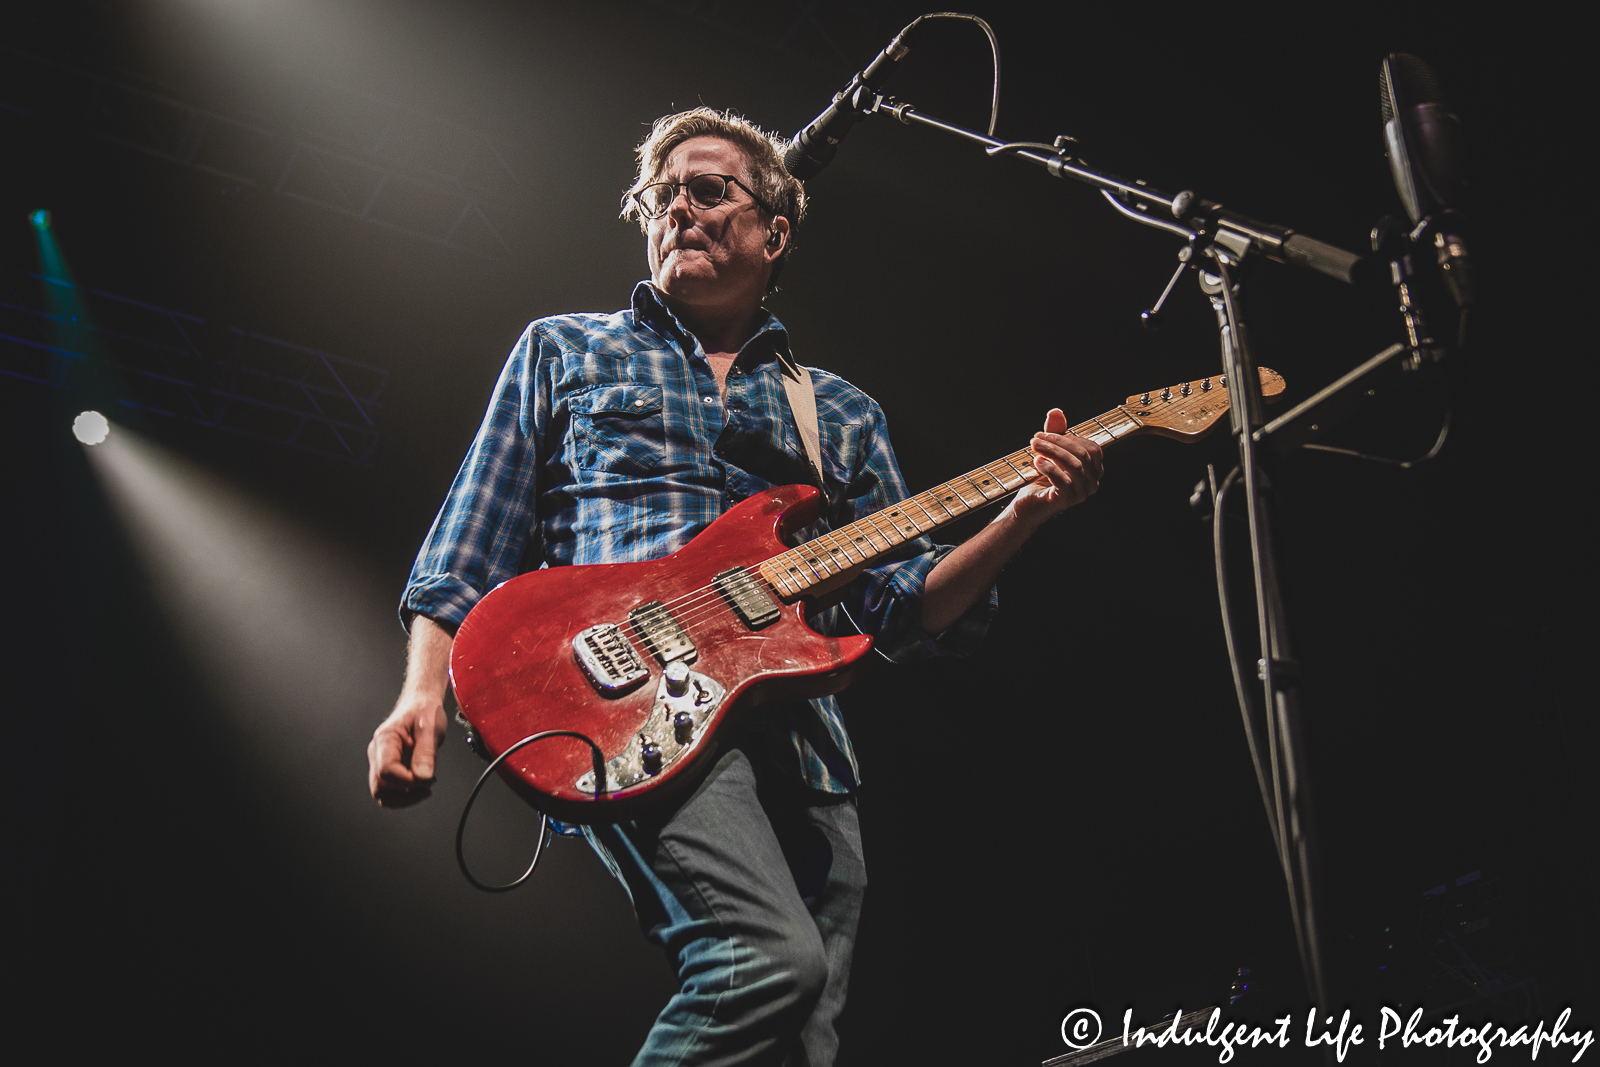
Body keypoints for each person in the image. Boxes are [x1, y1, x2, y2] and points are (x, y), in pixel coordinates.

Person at [366, 107, 1104, 1066]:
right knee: (763, 960)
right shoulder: (565, 349)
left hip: (804, 743)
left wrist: (1025, 514)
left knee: (800, 1041)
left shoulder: (837, 411)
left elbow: (904, 606)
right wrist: (420, 693)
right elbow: (473, 534)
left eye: (708, 189)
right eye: (660, 195)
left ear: (774, 230)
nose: (679, 207)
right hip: (627, 698)